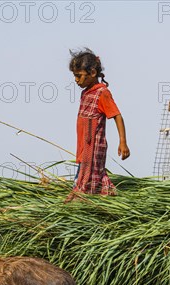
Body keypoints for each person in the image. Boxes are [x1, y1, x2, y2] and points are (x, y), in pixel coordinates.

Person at [67, 48, 129, 201]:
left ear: (92, 73)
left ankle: (88, 199)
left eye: (79, 76)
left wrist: (123, 143)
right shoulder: (86, 93)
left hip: (94, 146)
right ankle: (87, 197)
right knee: (84, 174)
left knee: (91, 175)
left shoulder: (102, 93)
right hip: (84, 147)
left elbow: (117, 116)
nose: (76, 80)